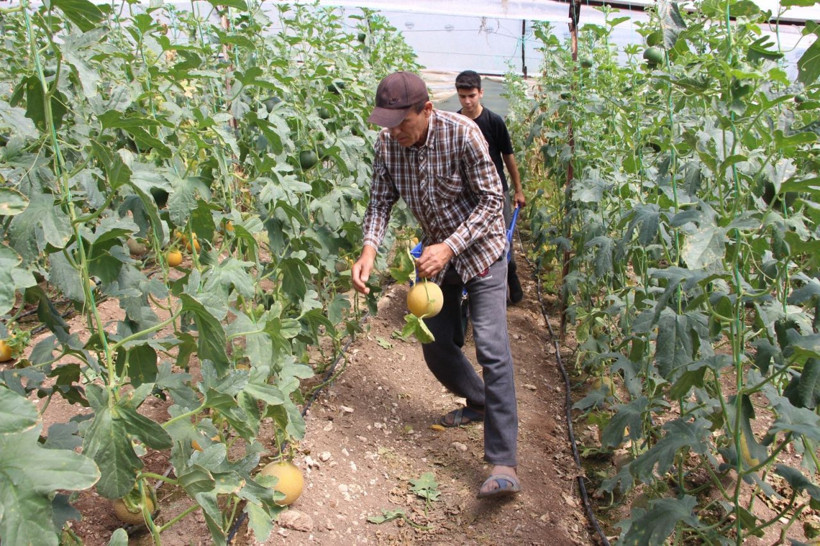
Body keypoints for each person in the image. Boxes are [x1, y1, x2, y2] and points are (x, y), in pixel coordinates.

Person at [351, 71, 520, 499]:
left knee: (492, 348)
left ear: (426, 109)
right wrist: (369, 250)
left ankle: (503, 461)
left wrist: (450, 245)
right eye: (386, 123)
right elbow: (379, 201)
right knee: (435, 343)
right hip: (436, 261)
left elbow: (491, 201)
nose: (393, 132)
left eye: (401, 122)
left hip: (480, 252)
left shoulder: (462, 134)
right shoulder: (389, 144)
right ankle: (479, 401)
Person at [455, 70, 526, 304]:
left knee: (503, 243)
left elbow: (508, 157)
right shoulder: (456, 122)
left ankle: (511, 289)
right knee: (471, 244)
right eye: (462, 96)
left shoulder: (494, 121)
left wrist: (518, 189)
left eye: (472, 96)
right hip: (468, 196)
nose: (467, 101)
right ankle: (474, 296)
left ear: (481, 93)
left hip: (497, 193)